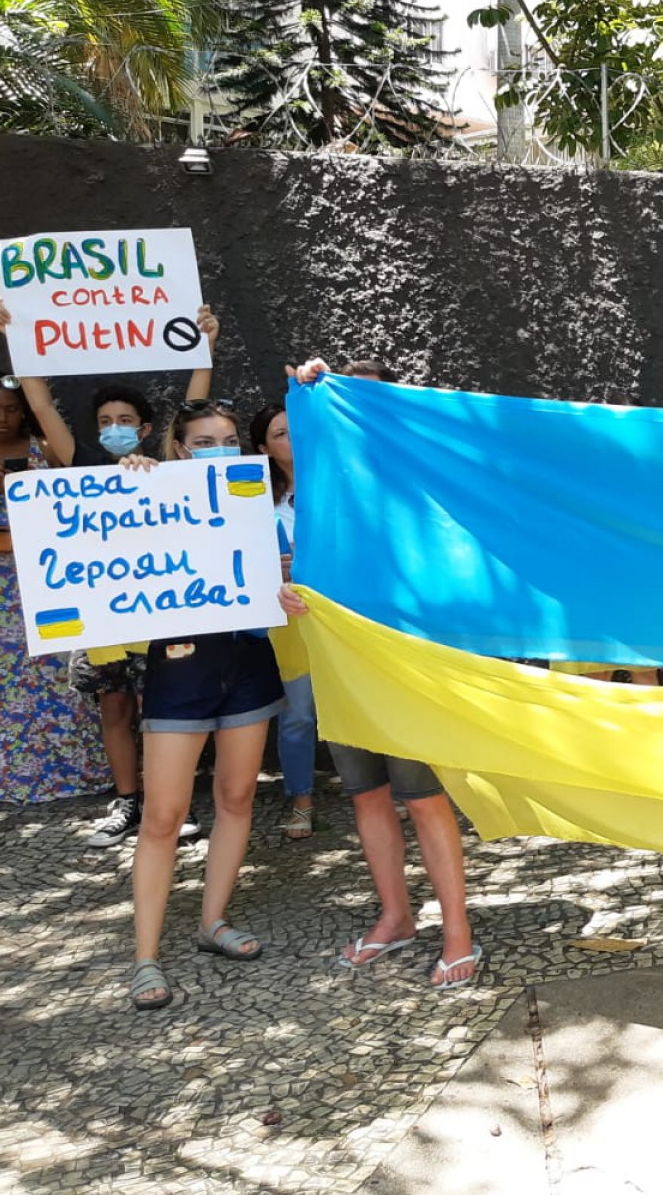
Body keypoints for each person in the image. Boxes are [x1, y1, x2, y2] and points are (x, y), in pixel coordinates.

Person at [283, 357, 483, 986]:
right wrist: (305, 392)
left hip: (408, 661)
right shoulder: (324, 482)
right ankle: (395, 917)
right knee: (365, 794)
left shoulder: (422, 480)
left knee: (424, 799)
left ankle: (458, 934)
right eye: (349, 403)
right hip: (340, 657)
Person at [0, 296, 220, 840]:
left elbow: (195, 404)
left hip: (159, 617)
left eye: (125, 421)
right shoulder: (83, 463)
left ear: (144, 429)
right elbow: (41, 404)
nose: (115, 427)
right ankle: (127, 802)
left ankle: (173, 804)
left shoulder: (166, 466)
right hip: (103, 621)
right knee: (114, 708)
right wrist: (15, 337)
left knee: (160, 710)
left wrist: (204, 346)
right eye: (105, 421)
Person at [119, 400, 287, 1010]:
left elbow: (278, 574)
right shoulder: (148, 491)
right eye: (203, 440)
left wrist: (287, 586)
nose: (218, 447)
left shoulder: (254, 498)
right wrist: (127, 478)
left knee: (236, 799)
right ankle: (145, 958)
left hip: (248, 666)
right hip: (178, 671)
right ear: (182, 449)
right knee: (163, 817)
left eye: (227, 437)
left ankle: (212, 921)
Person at [0, 365, 110, 804]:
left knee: (58, 666)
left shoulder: (43, 448)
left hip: (44, 574)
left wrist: (35, 488)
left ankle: (74, 771)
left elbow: (77, 499)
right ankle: (8, 775)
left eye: (10, 409)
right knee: (0, 673)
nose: (1, 418)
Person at [251, 399, 318, 840]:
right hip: (290, 621)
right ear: (263, 448)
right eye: (280, 433)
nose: (291, 439)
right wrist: (268, 566)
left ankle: (386, 789)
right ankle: (301, 799)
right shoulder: (253, 502)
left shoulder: (340, 487)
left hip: (348, 619)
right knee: (298, 713)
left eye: (296, 429)